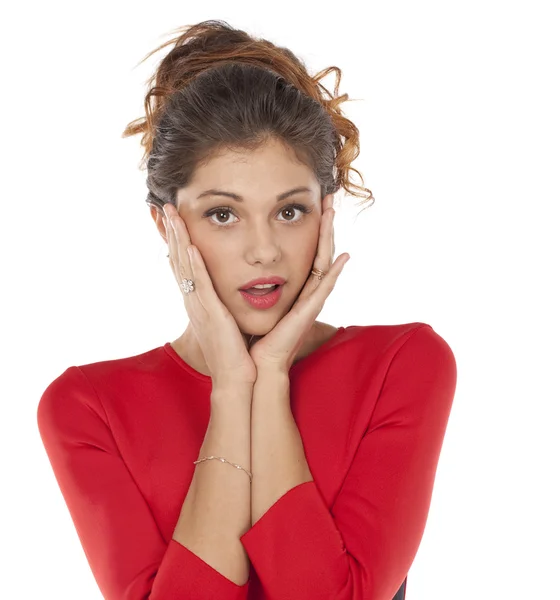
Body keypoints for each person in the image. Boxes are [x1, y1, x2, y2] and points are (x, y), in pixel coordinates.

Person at [37, 19, 457, 600]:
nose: (264, 251)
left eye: (289, 211)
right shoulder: (89, 408)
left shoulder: (401, 365)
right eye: (223, 214)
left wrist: (273, 375)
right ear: (166, 223)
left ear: (325, 213)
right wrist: (234, 388)